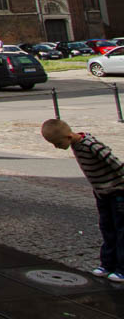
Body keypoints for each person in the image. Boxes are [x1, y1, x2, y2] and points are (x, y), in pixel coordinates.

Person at [41, 119, 124, 281]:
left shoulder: (90, 145)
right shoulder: (75, 144)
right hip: (102, 193)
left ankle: (122, 268)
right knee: (107, 227)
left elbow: (116, 163)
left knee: (121, 229)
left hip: (118, 192)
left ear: (68, 136)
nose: (56, 147)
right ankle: (107, 264)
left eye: (57, 143)